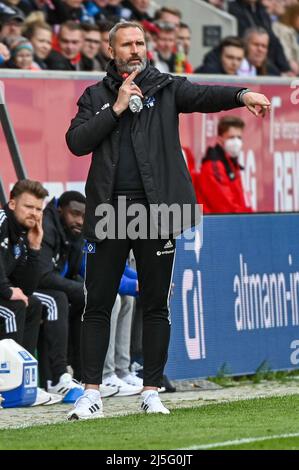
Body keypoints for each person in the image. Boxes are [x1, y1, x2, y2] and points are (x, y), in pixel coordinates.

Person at [65, 21, 270, 420]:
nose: (136, 49)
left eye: (140, 42)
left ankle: (151, 390)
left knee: (156, 303)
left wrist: (243, 93)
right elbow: (76, 142)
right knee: (99, 304)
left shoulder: (165, 87)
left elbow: (205, 95)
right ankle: (91, 393)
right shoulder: (94, 97)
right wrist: (118, 107)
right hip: (110, 211)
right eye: (127, 44)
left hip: (158, 211)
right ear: (112, 51)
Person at [0, 179, 59, 406]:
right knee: (13, 308)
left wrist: (35, 248)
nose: (34, 213)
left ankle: (25, 383)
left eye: (38, 209)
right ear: (12, 204)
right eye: (28, 207)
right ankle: (9, 385)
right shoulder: (2, 220)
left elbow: (27, 288)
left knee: (32, 303)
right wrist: (6, 290)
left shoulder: (25, 235)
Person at [197, 116, 253, 213]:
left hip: (232, 222)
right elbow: (225, 207)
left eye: (239, 137)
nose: (236, 142)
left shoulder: (231, 164)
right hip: (217, 225)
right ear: (220, 139)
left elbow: (240, 201)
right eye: (231, 137)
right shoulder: (213, 166)